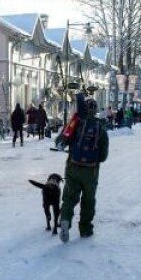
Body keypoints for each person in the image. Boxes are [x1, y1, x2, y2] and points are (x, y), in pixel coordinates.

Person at [59, 92, 109, 243]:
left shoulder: (76, 123)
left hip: (73, 166)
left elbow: (62, 140)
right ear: (95, 111)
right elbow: (103, 157)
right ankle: (85, 229)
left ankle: (65, 219)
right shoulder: (101, 130)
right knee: (88, 200)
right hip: (91, 171)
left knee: (69, 197)